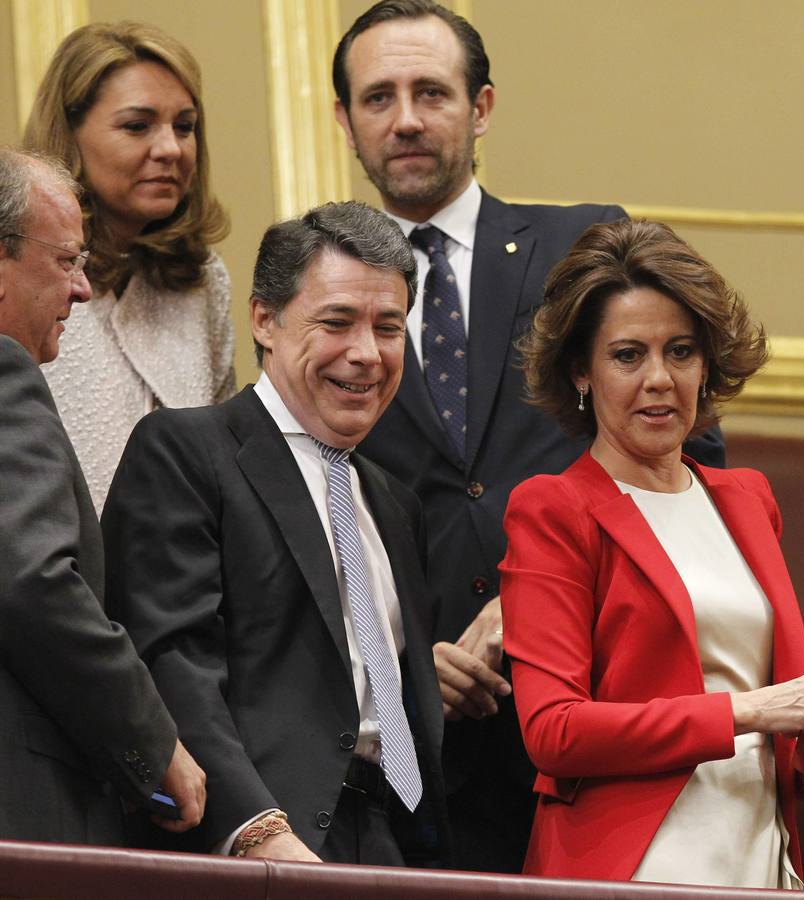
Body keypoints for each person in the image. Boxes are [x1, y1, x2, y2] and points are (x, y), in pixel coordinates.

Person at [331, 0, 726, 872]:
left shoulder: (581, 245)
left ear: (481, 109)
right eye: (378, 97)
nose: (405, 119)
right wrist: (395, 669)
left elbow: (691, 456)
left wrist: (542, 598)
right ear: (345, 122)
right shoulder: (319, 295)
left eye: (431, 92)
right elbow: (307, 500)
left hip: (605, 720)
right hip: (422, 753)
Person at [499, 217, 804, 886]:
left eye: (680, 351)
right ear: (581, 369)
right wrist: (751, 711)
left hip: (760, 853)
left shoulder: (747, 499)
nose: (660, 379)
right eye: (627, 355)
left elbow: (750, 707)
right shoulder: (552, 508)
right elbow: (554, 731)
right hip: (633, 867)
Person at [102, 201, 448, 866]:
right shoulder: (186, 451)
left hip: (388, 848)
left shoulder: (397, 507)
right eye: (338, 323)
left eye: (389, 327)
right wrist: (257, 831)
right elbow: (169, 660)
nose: (367, 354)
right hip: (244, 847)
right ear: (264, 319)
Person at [0, 147, 205, 844]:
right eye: (65, 262)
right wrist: (154, 745)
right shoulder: (6, 375)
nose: (82, 290)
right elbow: (34, 582)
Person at [24, 21, 235, 514]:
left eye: (184, 127)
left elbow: (224, 456)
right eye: (137, 126)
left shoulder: (203, 278)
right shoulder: (20, 269)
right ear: (70, 136)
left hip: (190, 575)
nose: (171, 149)